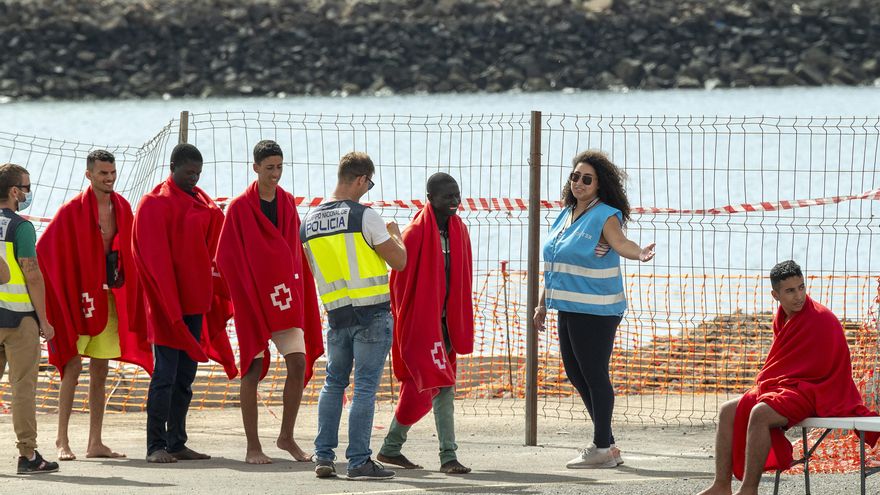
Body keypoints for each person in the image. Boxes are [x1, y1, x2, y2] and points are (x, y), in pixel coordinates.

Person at [697, 260, 878, 495]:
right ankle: (721, 485)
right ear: (776, 295)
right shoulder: (782, 317)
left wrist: (788, 384)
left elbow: (828, 371)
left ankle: (748, 490)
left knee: (760, 413)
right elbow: (787, 362)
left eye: (801, 287)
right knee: (727, 410)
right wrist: (780, 384)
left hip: (818, 390)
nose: (798, 296)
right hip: (789, 387)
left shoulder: (822, 319)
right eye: (790, 291)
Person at [534, 150, 655, 469]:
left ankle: (602, 445)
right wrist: (542, 303)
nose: (579, 183)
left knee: (594, 374)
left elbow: (621, 243)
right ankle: (607, 444)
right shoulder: (566, 213)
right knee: (576, 373)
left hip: (597, 310)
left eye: (587, 179)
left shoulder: (606, 215)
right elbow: (557, 261)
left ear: (600, 185)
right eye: (575, 177)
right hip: (568, 306)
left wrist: (639, 253)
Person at [37, 150, 153, 462]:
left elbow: (133, 250)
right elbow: (44, 251)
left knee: (101, 368)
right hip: (78, 298)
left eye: (112, 173)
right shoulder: (71, 210)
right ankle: (62, 439)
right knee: (72, 366)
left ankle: (95, 442)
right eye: (103, 174)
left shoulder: (122, 207)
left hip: (109, 297)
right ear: (89, 175)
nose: (110, 178)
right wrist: (56, 297)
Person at [301, 151, 406, 480]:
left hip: (337, 313)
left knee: (333, 384)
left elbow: (314, 268)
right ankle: (360, 460)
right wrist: (396, 234)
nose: (369, 188)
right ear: (361, 179)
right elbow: (399, 262)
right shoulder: (366, 216)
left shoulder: (309, 221)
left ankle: (324, 456)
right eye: (369, 182)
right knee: (363, 389)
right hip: (371, 313)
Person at [216, 140, 323, 464]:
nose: (275, 174)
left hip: (285, 299)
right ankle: (253, 447)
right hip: (252, 302)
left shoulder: (288, 202)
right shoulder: (238, 207)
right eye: (269, 168)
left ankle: (286, 437)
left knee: (298, 363)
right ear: (255, 168)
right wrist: (245, 295)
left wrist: (302, 292)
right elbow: (226, 257)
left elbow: (293, 252)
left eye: (279, 167)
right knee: (252, 368)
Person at [132, 143, 238, 464]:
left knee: (185, 376)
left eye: (198, 174)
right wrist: (167, 305)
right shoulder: (154, 204)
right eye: (188, 172)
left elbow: (214, 247)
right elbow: (151, 260)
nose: (193, 178)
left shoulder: (202, 205)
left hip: (194, 303)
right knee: (164, 374)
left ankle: (177, 441)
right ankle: (155, 445)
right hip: (166, 305)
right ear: (172, 166)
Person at [377, 173, 474, 474]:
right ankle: (404, 449)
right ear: (430, 198)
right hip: (422, 325)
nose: (455, 201)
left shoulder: (460, 230)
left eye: (457, 195)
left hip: (447, 325)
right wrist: (410, 320)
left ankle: (433, 453)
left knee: (443, 386)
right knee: (425, 387)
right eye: (448, 196)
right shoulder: (415, 233)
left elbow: (463, 278)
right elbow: (399, 284)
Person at [0, 163, 59, 474]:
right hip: (19, 319)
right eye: (25, 187)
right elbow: (32, 275)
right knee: (22, 388)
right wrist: (45, 321)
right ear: (13, 192)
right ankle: (28, 455)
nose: (27, 192)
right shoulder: (20, 227)